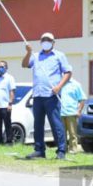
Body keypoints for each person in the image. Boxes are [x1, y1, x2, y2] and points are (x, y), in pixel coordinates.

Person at [22, 32, 70, 160]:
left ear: (53, 42)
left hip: (52, 95)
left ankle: (61, 150)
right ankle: (39, 150)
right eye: (43, 39)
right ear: (40, 42)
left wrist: (59, 86)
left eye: (48, 40)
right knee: (38, 124)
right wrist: (28, 52)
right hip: (37, 95)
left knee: (56, 124)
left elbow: (68, 72)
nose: (46, 41)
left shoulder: (59, 56)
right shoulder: (36, 56)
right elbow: (25, 64)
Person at [0, 61, 16, 145]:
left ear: (6, 67)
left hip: (6, 106)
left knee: (7, 124)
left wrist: (10, 104)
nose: (0, 68)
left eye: (2, 66)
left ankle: (9, 141)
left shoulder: (10, 78)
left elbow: (12, 91)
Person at [60, 78, 87, 154]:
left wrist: (79, 111)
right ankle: (62, 150)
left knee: (72, 133)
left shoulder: (76, 84)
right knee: (61, 133)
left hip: (71, 112)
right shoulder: (58, 83)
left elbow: (82, 99)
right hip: (60, 112)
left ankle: (73, 150)